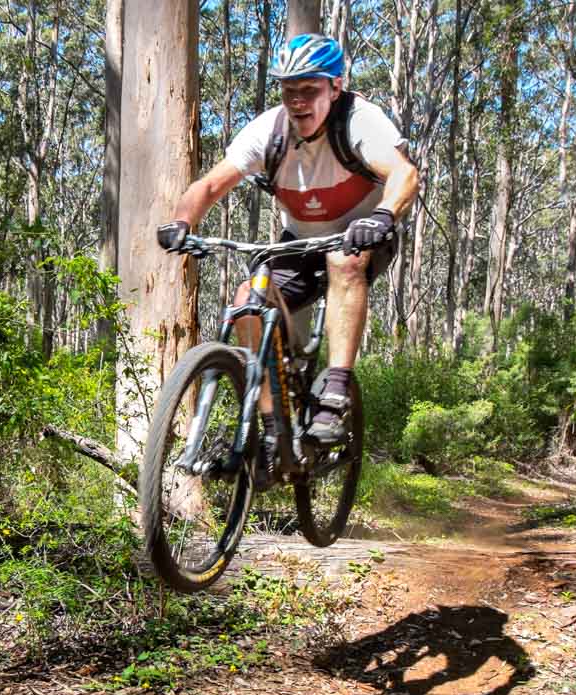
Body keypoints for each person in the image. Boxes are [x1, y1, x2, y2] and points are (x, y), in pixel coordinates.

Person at [157, 34, 418, 485]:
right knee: (248, 297)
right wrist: (181, 222)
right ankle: (275, 422)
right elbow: (211, 185)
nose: (298, 101)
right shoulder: (268, 131)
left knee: (344, 259)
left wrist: (380, 217)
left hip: (363, 237)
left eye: (309, 89)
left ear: (335, 88)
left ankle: (336, 387)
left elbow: (403, 173)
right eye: (289, 89)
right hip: (298, 243)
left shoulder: (360, 121)